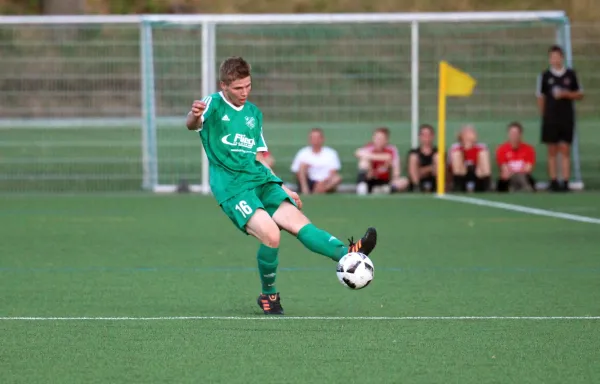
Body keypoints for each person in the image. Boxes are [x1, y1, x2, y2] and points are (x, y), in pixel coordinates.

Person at [185, 57, 377, 315]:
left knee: (299, 223)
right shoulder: (213, 104)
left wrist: (282, 186)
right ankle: (269, 296)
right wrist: (194, 115)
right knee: (271, 235)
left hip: (261, 180)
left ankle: (348, 253)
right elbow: (193, 124)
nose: (244, 93)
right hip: (232, 187)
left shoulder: (254, 114)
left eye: (248, 86)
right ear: (224, 85)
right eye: (238, 88)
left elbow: (258, 157)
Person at [536, 44, 584, 192]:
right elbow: (540, 97)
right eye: (552, 57)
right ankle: (553, 181)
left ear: (562, 58)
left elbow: (580, 94)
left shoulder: (571, 75)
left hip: (566, 118)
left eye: (557, 57)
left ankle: (565, 181)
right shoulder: (544, 76)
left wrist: (565, 94)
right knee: (552, 149)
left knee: (565, 149)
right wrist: (544, 114)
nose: (555, 60)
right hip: (551, 119)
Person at [355, 127, 409, 195]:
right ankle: (362, 187)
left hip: (385, 181)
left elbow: (396, 168)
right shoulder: (370, 147)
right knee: (363, 162)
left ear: (386, 140)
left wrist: (395, 178)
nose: (378, 141)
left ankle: (384, 190)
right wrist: (380, 157)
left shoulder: (392, 149)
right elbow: (357, 153)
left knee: (404, 181)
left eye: (381, 139)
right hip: (370, 179)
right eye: (376, 138)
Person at [290, 128, 342, 194]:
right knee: (302, 165)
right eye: (313, 138)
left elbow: (333, 172)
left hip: (326, 182)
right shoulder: (303, 152)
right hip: (309, 181)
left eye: (318, 138)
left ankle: (317, 192)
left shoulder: (331, 153)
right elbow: (297, 171)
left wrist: (322, 182)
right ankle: (305, 192)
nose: (315, 140)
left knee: (337, 178)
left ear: (322, 139)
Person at [495, 122, 537, 192]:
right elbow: (504, 169)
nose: (513, 136)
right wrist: (514, 173)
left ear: (520, 134)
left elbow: (527, 169)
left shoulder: (529, 149)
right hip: (509, 178)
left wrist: (517, 173)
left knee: (524, 177)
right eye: (511, 133)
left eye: (516, 134)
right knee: (503, 179)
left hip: (523, 177)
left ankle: (525, 190)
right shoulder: (502, 149)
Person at [448, 125, 491, 192]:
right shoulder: (456, 147)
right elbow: (451, 165)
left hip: (477, 174)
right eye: (470, 132)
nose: (474, 134)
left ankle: (487, 187)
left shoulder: (481, 147)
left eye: (473, 132)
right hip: (462, 174)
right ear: (463, 135)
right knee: (457, 154)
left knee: (483, 153)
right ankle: (457, 187)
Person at [407, 124, 438, 192]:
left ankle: (438, 187)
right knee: (413, 158)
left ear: (433, 136)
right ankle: (417, 188)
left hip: (435, 182)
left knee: (437, 157)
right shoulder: (414, 153)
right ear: (419, 137)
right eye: (423, 135)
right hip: (418, 182)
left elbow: (440, 171)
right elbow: (413, 172)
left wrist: (422, 170)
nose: (426, 137)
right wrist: (430, 168)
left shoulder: (438, 152)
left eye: (428, 134)